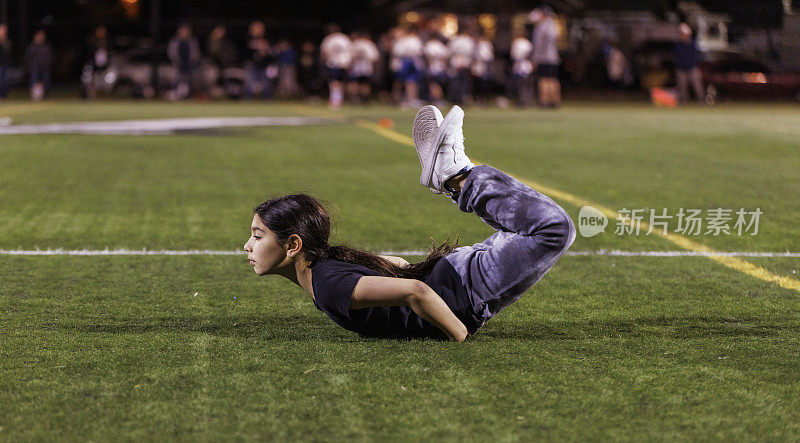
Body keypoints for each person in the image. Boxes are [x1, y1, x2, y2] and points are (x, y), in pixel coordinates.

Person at [244, 105, 576, 341]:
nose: (248, 245)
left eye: (258, 236)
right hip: (456, 278)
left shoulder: (327, 284)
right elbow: (400, 267)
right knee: (528, 227)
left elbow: (415, 290)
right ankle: (455, 177)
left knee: (553, 229)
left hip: (463, 290)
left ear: (293, 245)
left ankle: (457, 177)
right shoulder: (326, 270)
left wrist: (458, 333)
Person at [530, 6, 561, 108]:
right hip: (554, 57)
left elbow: (539, 44)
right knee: (553, 79)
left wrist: (535, 59)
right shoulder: (553, 25)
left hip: (543, 57)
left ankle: (545, 101)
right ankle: (555, 101)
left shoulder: (541, 27)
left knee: (543, 80)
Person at [320, 24, 352, 108]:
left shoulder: (329, 39)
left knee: (334, 82)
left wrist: (325, 62)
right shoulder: (344, 38)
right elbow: (350, 51)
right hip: (344, 63)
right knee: (341, 83)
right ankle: (340, 99)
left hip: (333, 63)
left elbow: (325, 53)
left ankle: (335, 101)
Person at [167, 23, 201, 99]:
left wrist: (193, 61)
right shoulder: (175, 41)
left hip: (190, 66)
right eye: (183, 30)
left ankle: (189, 96)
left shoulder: (192, 41)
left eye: (186, 30)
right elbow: (171, 52)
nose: (184, 32)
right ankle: (176, 95)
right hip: (178, 65)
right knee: (176, 80)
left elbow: (196, 53)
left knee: (191, 81)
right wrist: (177, 61)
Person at [674, 23, 704, 104]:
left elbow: (697, 56)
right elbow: (676, 57)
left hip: (692, 68)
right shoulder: (678, 45)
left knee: (697, 86)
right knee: (682, 87)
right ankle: (684, 103)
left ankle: (702, 103)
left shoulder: (693, 44)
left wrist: (696, 66)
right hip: (681, 69)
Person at [347, 31, 379, 103]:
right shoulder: (369, 44)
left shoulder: (355, 44)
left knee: (353, 83)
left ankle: (353, 99)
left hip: (355, 68)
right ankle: (364, 100)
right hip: (366, 68)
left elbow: (350, 57)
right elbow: (374, 58)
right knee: (365, 84)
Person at [245, 21, 273, 100]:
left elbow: (271, 52)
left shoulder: (267, 39)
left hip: (264, 64)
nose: (258, 30)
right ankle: (248, 99)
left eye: (260, 28)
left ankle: (267, 98)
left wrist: (264, 51)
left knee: (266, 82)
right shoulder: (247, 38)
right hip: (252, 64)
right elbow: (245, 52)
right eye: (256, 28)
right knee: (250, 82)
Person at [447, 27, 475, 105]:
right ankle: (456, 99)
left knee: (461, 83)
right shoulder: (466, 40)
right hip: (459, 62)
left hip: (460, 62)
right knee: (457, 83)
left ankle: (459, 99)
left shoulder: (457, 39)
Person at [82, 25, 111, 99]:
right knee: (89, 79)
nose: (101, 33)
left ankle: (101, 95)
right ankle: (88, 94)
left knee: (103, 82)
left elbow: (110, 54)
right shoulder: (92, 41)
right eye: (99, 31)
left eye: (103, 31)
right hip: (93, 66)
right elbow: (88, 53)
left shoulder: (107, 42)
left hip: (104, 66)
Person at [24, 30, 53, 100]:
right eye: (39, 35)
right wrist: (29, 66)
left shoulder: (46, 46)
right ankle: (33, 95)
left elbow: (50, 56)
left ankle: (45, 94)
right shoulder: (32, 46)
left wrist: (48, 63)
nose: (40, 37)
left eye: (42, 36)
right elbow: (28, 57)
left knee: (46, 81)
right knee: (33, 80)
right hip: (35, 67)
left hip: (45, 67)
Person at [510, 32, 534, 106]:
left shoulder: (517, 43)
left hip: (522, 66)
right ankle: (525, 100)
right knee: (525, 85)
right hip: (524, 66)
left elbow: (513, 56)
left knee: (522, 85)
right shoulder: (527, 43)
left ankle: (523, 101)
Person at [0, 24, 11, 100]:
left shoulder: (7, 41)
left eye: (4, 30)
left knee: (5, 81)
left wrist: (3, 41)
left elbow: (8, 52)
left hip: (5, 64)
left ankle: (3, 96)